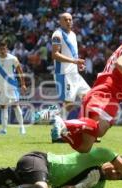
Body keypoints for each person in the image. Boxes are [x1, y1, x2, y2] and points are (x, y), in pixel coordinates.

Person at [37, 21, 122, 152]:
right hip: (107, 92)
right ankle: (60, 122)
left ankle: (62, 125)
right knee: (100, 129)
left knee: (85, 146)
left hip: (102, 92)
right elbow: (121, 63)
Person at [33, 12, 91, 142]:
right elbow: (55, 55)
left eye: (70, 19)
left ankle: (86, 130)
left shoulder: (73, 34)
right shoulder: (57, 35)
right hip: (64, 74)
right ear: (60, 22)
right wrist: (74, 62)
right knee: (68, 105)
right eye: (66, 19)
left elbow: (72, 54)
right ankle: (53, 127)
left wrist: (78, 64)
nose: (69, 21)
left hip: (74, 73)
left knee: (89, 97)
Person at [0, 41, 27, 134]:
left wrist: (23, 84)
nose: (3, 51)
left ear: (7, 49)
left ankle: (22, 127)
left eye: (5, 49)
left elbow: (20, 71)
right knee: (3, 107)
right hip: (1, 87)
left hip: (12, 86)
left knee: (15, 105)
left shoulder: (13, 59)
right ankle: (4, 129)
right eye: (1, 49)